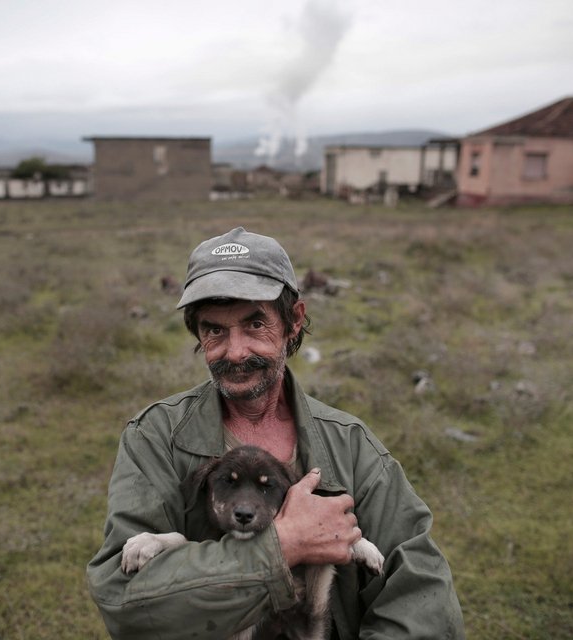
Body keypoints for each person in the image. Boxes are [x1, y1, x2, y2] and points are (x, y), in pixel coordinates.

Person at [87, 227, 465, 639]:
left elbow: (421, 592)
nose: (235, 351)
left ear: (293, 321)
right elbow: (123, 600)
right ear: (197, 332)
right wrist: (281, 548)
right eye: (215, 329)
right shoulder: (156, 439)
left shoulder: (350, 445)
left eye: (255, 324)